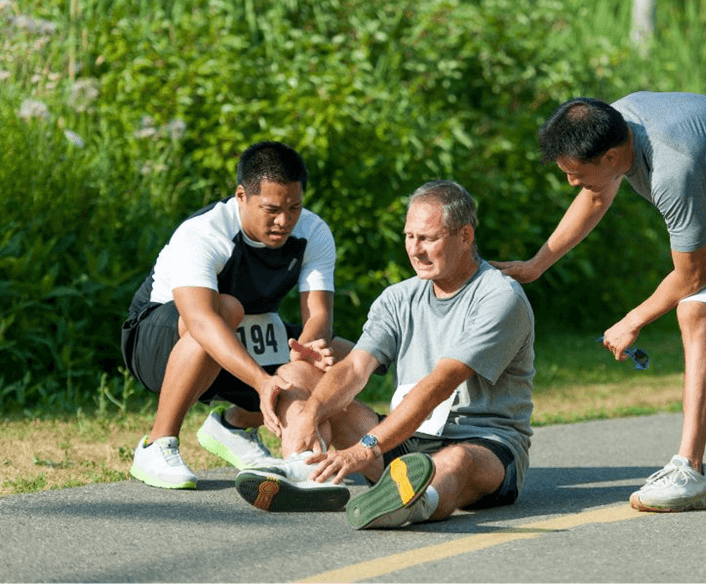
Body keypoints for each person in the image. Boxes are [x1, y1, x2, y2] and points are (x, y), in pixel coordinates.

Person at [492, 92, 706, 512]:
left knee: (696, 310)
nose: (571, 180)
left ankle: (689, 472)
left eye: (576, 172)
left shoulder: (670, 167)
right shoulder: (615, 123)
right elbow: (594, 195)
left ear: (610, 157)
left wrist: (633, 319)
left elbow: (691, 276)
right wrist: (537, 264)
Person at [233, 180, 536, 529]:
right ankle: (306, 471)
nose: (416, 250)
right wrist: (310, 414)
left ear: (466, 236)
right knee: (295, 375)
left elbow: (439, 384)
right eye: (410, 237)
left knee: (456, 460)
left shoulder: (499, 297)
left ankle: (416, 502)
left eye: (428, 238)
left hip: (485, 443)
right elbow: (356, 368)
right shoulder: (398, 297)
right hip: (403, 439)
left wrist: (365, 449)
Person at [121, 140, 352, 490]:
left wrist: (302, 361)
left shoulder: (313, 232)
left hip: (241, 336)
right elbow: (200, 321)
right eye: (272, 209)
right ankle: (157, 443)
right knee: (226, 309)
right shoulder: (204, 232)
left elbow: (318, 316)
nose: (284, 220)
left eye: (294, 207)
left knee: (345, 353)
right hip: (159, 342)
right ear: (241, 196)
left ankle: (234, 427)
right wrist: (262, 381)